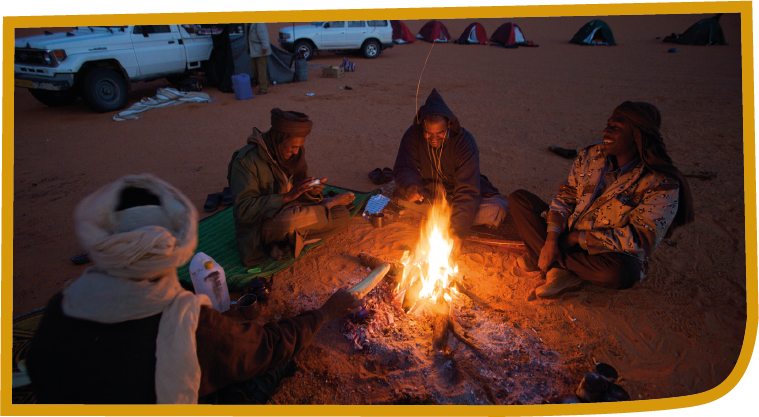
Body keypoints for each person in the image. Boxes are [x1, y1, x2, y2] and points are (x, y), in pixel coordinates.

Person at [25, 174, 365, 404]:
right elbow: (265, 346)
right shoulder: (182, 322)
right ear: (168, 248)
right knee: (269, 368)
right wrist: (324, 313)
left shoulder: (61, 305)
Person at [508, 101, 694, 298]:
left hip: (606, 251)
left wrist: (574, 239)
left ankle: (548, 260)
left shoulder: (661, 183)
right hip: (568, 233)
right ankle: (556, 264)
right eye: (607, 124)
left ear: (637, 135)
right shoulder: (591, 154)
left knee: (622, 273)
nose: (605, 131)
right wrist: (553, 239)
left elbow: (639, 239)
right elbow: (566, 196)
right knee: (519, 200)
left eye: (615, 127)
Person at [229, 108, 354, 266]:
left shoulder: (295, 153)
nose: (296, 152)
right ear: (277, 139)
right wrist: (286, 197)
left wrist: (310, 191)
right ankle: (322, 209)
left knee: (342, 215)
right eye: (291, 147)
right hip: (262, 223)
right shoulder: (246, 161)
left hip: (292, 209)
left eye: (299, 147)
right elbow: (243, 210)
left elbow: (298, 192)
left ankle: (282, 240)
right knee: (291, 221)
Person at [393, 88, 509, 255]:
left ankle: (436, 217)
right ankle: (441, 216)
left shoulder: (464, 142)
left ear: (448, 125)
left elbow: (468, 189)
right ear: (422, 127)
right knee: (399, 197)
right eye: (428, 133)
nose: (433, 139)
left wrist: (457, 232)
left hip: (459, 195)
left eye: (439, 133)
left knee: (497, 208)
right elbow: (404, 167)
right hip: (430, 193)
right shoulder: (412, 135)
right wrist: (411, 185)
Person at [245, 23, 271, 95]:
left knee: (261, 71)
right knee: (256, 70)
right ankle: (266, 83)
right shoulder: (248, 24)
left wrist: (265, 47)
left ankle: (263, 89)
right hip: (254, 51)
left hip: (261, 50)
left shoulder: (259, 22)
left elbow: (263, 34)